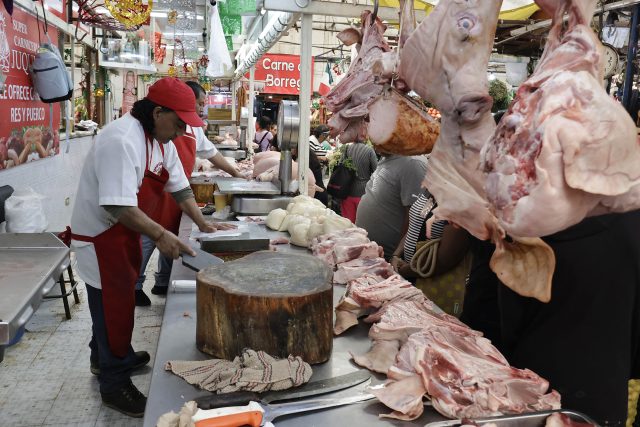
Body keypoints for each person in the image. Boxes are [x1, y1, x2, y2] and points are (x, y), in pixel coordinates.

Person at [69, 77, 235, 418]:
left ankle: (105, 358)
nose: (180, 133)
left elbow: (180, 187)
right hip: (101, 238)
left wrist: (202, 224)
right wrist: (161, 235)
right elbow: (117, 206)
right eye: (178, 124)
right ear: (158, 113)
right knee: (111, 307)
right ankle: (114, 385)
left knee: (117, 304)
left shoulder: (162, 139)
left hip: (123, 234)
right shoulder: (121, 139)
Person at [134, 81, 246, 305]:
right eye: (199, 103)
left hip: (176, 194)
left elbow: (211, 154)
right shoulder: (137, 135)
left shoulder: (191, 127)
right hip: (151, 194)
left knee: (174, 236)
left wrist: (236, 172)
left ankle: (163, 281)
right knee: (146, 240)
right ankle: (135, 285)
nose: (202, 108)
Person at [355, 153, 426, 259]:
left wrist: (396, 255)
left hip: (386, 258)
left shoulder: (413, 163)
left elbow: (416, 218)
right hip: (368, 250)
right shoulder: (387, 156)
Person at [339, 140, 377, 223]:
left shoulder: (346, 149)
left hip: (347, 191)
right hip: (364, 192)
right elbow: (376, 171)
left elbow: (340, 166)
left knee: (348, 223)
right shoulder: (369, 150)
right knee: (363, 224)